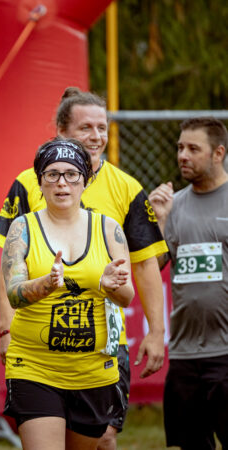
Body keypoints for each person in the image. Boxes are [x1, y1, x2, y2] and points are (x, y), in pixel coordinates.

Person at [0, 87, 167, 449]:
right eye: (86, 127)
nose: (97, 136)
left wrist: (155, 331)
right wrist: (6, 328)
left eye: (102, 127)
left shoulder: (126, 188)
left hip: (103, 345)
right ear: (60, 130)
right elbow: (9, 264)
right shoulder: (28, 183)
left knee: (103, 441)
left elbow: (146, 264)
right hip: (36, 348)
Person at [2, 137, 133, 449]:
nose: (62, 183)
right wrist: (45, 283)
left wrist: (108, 285)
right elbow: (14, 294)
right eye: (52, 174)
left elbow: (127, 296)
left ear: (84, 181)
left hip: (93, 371)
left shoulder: (108, 228)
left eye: (71, 174)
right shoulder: (22, 228)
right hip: (34, 367)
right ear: (40, 182)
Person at [148, 117, 228, 449]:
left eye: (193, 148)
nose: (183, 155)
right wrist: (160, 221)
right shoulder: (172, 205)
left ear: (218, 153)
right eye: (180, 147)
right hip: (185, 356)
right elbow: (151, 272)